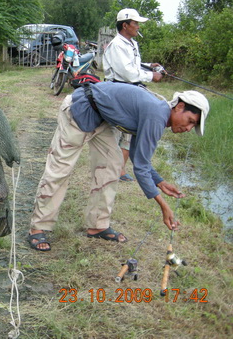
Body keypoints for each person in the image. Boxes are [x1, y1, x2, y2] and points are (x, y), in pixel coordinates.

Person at [26, 82, 209, 251]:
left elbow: (139, 158)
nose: (188, 128)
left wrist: (160, 182)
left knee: (112, 165)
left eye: (193, 126)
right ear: (180, 107)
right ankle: (38, 228)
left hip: (102, 118)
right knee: (60, 169)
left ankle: (97, 226)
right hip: (80, 108)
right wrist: (163, 205)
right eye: (191, 121)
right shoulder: (156, 115)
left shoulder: (157, 115)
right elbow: (141, 168)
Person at [102, 8, 163, 182]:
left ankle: (120, 169)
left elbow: (132, 65)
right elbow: (127, 72)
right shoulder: (117, 45)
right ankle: (110, 169)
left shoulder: (131, 44)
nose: (138, 26)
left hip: (132, 92)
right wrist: (152, 75)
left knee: (130, 133)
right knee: (115, 131)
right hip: (118, 91)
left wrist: (148, 65)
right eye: (135, 23)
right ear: (125, 25)